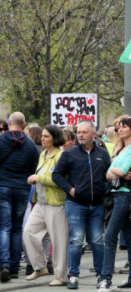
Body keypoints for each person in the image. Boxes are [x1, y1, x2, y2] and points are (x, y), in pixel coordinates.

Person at [52, 121, 110, 290]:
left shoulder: (102, 153)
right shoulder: (69, 154)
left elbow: (110, 173)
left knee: (98, 241)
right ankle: (74, 276)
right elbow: (57, 175)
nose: (81, 135)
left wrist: (104, 189)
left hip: (98, 204)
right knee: (76, 240)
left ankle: (101, 275)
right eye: (78, 132)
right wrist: (70, 189)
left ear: (93, 134)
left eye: (85, 132)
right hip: (76, 204)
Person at [98, 117, 131, 292]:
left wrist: (114, 171)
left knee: (110, 236)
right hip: (116, 194)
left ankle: (105, 279)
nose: (120, 130)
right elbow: (109, 174)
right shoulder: (120, 148)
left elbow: (121, 171)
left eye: (124, 127)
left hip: (124, 196)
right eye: (119, 127)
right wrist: (114, 172)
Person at [23, 125, 69, 286]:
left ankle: (61, 276)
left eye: (46, 136)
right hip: (41, 202)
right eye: (42, 136)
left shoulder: (61, 156)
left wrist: (38, 178)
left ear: (54, 138)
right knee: (29, 232)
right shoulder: (43, 154)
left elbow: (60, 180)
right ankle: (40, 267)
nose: (42, 139)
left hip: (56, 203)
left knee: (59, 240)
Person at [0, 112, 40, 282]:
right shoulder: (31, 144)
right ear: (24, 124)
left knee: (4, 227)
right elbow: (35, 167)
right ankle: (15, 268)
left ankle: (4, 264)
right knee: (17, 229)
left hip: (3, 187)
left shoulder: (1, 141)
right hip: (22, 188)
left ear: (9, 123)